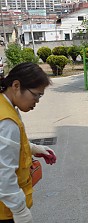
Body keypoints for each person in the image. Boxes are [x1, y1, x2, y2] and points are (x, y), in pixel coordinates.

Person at [0, 62, 57, 223]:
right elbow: (3, 175)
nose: (37, 101)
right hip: (6, 211)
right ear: (16, 86)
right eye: (36, 95)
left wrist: (32, 148)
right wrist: (20, 211)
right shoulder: (6, 121)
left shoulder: (5, 106)